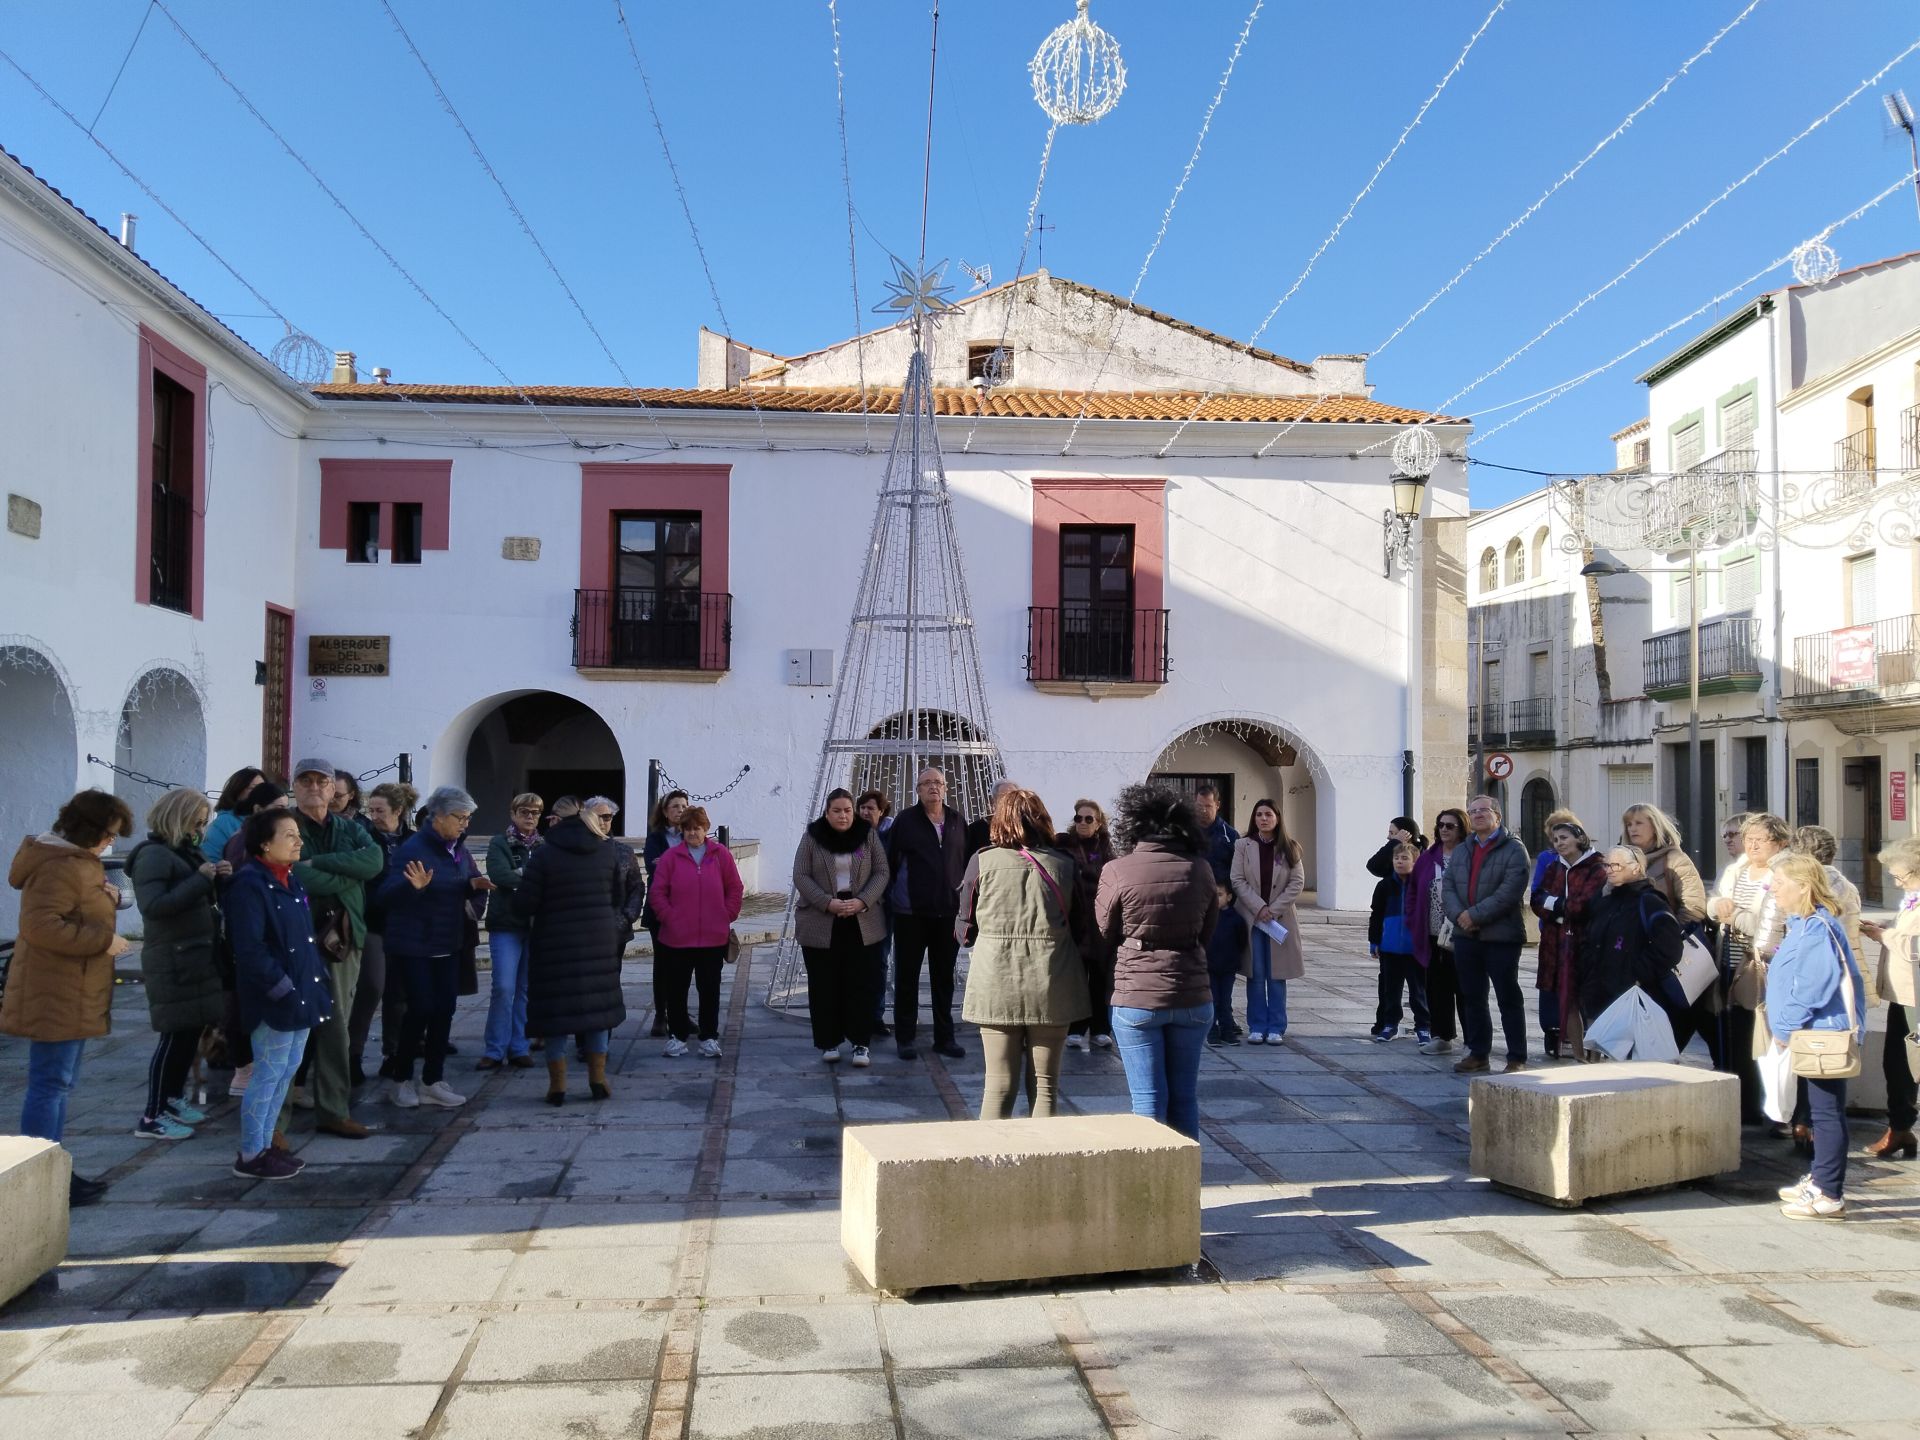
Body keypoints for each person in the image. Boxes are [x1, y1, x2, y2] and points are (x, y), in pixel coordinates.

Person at [3, 789, 135, 1205]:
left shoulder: (77, 863)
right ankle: (39, 1178)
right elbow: (41, 926)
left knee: (59, 1084)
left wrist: (106, 897)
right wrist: (103, 941)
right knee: (50, 1085)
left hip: (70, 990)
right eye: (109, 835)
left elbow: (77, 906)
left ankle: (55, 1169)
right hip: (54, 991)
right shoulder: (60, 866)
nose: (111, 843)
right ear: (88, 830)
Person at [955, 787, 1087, 1118]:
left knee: (998, 1085)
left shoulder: (982, 861)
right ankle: (1041, 1164)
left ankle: (990, 1165)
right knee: (1045, 1087)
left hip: (995, 980)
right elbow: (1083, 927)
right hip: (1052, 980)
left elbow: (965, 929)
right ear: (1043, 820)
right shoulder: (1065, 865)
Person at [1097, 784, 1220, 1140]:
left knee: (1148, 1103)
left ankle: (1152, 1191)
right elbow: (1207, 930)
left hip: (1137, 994)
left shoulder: (1117, 869)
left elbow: (1106, 928)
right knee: (1185, 1098)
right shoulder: (1200, 869)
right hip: (1193, 993)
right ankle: (1185, 1188)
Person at [225, 807, 334, 1181]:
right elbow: (251, 949)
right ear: (264, 843)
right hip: (275, 999)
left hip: (302, 993)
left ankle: (267, 1146)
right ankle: (251, 1153)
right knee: (267, 1075)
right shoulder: (249, 884)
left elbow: (304, 938)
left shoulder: (290, 879)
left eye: (297, 834)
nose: (298, 841)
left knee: (286, 1072)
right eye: (289, 835)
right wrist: (283, 988)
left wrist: (315, 979)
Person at [375, 786, 493, 1108]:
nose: (465, 824)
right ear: (438, 817)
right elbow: (384, 896)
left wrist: (470, 886)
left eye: (468, 818)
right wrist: (410, 887)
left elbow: (453, 883)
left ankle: (433, 1079)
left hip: (447, 940)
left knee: (445, 1009)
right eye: (460, 818)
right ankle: (401, 1080)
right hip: (413, 943)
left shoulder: (455, 848)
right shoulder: (414, 847)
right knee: (420, 1008)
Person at [284, 758, 383, 1139]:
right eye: (305, 780)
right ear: (295, 786)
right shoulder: (285, 827)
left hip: (343, 937)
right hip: (297, 937)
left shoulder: (350, 829)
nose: (313, 787)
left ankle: (334, 1109)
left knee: (336, 1027)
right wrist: (343, 875)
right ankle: (275, 1120)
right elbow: (294, 872)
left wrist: (319, 863)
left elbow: (373, 862)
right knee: (290, 1029)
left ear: (332, 787)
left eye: (321, 781)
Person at [1767, 854, 1866, 1220]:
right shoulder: (1805, 924)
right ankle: (1822, 1180)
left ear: (1803, 886)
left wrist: (1785, 1027)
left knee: (1825, 1113)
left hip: (1820, 1034)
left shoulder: (1816, 928)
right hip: (1813, 1032)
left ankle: (1829, 1193)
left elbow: (1812, 987)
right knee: (1824, 1111)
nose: (1772, 888)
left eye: (1779, 882)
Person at [127, 788, 228, 1140]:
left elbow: (196, 892)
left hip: (193, 954)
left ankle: (172, 1100)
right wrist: (201, 878)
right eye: (196, 822)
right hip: (173, 957)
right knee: (173, 1038)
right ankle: (152, 1115)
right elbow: (154, 906)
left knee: (188, 1036)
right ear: (177, 818)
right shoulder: (154, 855)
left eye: (203, 822)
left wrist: (216, 877)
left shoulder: (183, 851)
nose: (200, 829)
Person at [519, 800, 628, 1104]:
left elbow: (526, 902)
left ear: (556, 822)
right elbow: (617, 895)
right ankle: (598, 1078)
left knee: (556, 1016)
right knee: (595, 1012)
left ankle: (558, 1085)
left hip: (554, 943)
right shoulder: (605, 851)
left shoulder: (544, 855)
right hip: (599, 941)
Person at [792, 789, 890, 1067]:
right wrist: (826, 902)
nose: (843, 815)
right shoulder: (813, 836)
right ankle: (829, 1041)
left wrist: (862, 901)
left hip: (861, 917)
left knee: (861, 982)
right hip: (822, 918)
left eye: (848, 810)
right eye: (837, 810)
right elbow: (801, 874)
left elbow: (881, 871)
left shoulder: (867, 835)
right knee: (824, 983)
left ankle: (861, 1043)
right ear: (827, 812)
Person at [884, 767, 970, 1061]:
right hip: (911, 913)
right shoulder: (905, 821)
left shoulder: (958, 820)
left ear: (946, 788)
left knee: (944, 978)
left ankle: (944, 1038)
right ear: (917, 790)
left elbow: (966, 863)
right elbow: (891, 863)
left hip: (948, 913)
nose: (933, 787)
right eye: (927, 783)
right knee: (906, 977)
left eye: (938, 782)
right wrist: (897, 898)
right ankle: (905, 1037)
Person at [1442, 795, 1532, 1074]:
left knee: (1508, 997)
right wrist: (1460, 916)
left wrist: (1475, 915)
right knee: (1472, 996)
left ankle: (1516, 1056)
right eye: (1473, 811)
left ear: (1497, 816)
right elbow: (1448, 887)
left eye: (1483, 810)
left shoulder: (1514, 849)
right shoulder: (1463, 848)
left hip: (1501, 936)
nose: (1478, 815)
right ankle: (1478, 1053)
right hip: (1466, 936)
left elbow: (1510, 891)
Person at [1711, 813, 1791, 1125]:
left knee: (1766, 1037)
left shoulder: (1781, 874)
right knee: (1740, 1035)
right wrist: (1715, 908)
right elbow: (1715, 902)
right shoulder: (1737, 869)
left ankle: (1772, 1108)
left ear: (1780, 843)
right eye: (1749, 839)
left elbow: (1772, 926)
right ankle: (1745, 1105)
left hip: (1765, 966)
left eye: (1760, 839)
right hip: (1732, 961)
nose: (1752, 845)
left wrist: (1735, 917)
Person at [651, 805, 744, 1058]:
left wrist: (727, 914)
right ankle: (678, 1036)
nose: (693, 833)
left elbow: (734, 887)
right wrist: (670, 917)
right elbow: (658, 892)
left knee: (710, 989)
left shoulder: (720, 855)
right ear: (682, 830)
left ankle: (709, 1036)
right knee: (677, 990)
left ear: (706, 829)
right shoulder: (671, 857)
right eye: (688, 829)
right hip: (677, 939)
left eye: (698, 828)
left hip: (712, 938)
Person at [1578, 846, 1686, 1038]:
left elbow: (1670, 949)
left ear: (1636, 868)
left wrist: (1636, 975)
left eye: (1616, 865)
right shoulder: (1604, 901)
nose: (1609, 870)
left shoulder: (1651, 902)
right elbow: (1589, 939)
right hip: (1601, 995)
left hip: (1637, 996)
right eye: (1607, 865)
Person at [353, 780, 415, 1088]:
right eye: (371, 809)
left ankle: (393, 1054)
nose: (374, 815)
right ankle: (354, 1054)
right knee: (371, 989)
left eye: (380, 810)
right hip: (374, 922)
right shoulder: (364, 838)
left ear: (398, 811)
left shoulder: (413, 841)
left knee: (399, 994)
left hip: (405, 925)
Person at [1229, 798, 1306, 1045]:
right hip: (1252, 918)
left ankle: (1276, 1026)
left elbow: (1297, 882)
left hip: (1279, 920)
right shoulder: (1243, 845)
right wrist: (1259, 907)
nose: (1264, 819)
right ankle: (1257, 1025)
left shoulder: (1289, 847)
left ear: (1277, 818)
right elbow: (1237, 880)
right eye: (1259, 814)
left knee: (1276, 974)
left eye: (1269, 814)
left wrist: (1273, 909)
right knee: (1256, 972)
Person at [1862, 835, 1920, 1161]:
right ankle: (1901, 1129)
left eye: (1902, 876)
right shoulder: (1913, 898)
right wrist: (1886, 926)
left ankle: (1900, 1129)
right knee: (1896, 1062)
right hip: (1904, 992)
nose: (1897, 883)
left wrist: (1884, 935)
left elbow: (1915, 946)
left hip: (1915, 994)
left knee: (1906, 1064)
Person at [479, 792, 544, 1070]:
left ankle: (518, 1046)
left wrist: (520, 876)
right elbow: (499, 874)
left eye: (535, 813)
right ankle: (494, 1049)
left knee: (525, 988)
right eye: (524, 812)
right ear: (513, 814)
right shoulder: (499, 842)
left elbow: (549, 877)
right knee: (504, 987)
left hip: (535, 924)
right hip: (506, 922)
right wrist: (530, 879)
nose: (530, 817)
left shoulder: (543, 846)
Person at [1530, 821, 1605, 1059]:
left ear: (1579, 838)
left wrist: (1555, 905)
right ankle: (1578, 1054)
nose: (1559, 843)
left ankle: (1595, 1053)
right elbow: (1536, 900)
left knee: (1590, 1001)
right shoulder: (1555, 867)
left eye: (1564, 837)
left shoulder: (1597, 866)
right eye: (1555, 839)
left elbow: (1582, 905)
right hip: (1556, 942)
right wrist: (1559, 906)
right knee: (1566, 999)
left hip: (1586, 942)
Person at [1057, 797, 1117, 1052]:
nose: (1082, 823)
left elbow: (1111, 880)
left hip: (1101, 922)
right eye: (1078, 818)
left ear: (1099, 822)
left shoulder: (1106, 848)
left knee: (1101, 977)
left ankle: (1101, 1029)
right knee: (1077, 977)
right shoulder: (1065, 846)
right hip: (1076, 920)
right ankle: (1076, 1028)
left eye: (1088, 818)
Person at [1413, 808, 1469, 1055]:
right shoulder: (1428, 857)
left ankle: (1473, 1041)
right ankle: (1441, 1035)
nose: (1444, 830)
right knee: (1437, 986)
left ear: (1461, 829)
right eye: (1441, 825)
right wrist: (1411, 917)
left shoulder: (1469, 855)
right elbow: (1414, 888)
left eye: (1450, 826)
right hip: (1433, 931)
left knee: (1466, 987)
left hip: (1464, 931)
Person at [1369, 841, 1430, 1043]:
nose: (1399, 862)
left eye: (1405, 858)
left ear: (1415, 861)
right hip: (1390, 947)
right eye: (1397, 858)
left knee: (1418, 991)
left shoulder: (1423, 885)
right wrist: (1374, 941)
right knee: (1391, 989)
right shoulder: (1384, 886)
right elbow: (1376, 915)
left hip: (1415, 949)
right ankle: (1389, 1024)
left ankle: (1423, 1026)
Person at [641, 789, 688, 1037]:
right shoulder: (656, 838)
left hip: (687, 909)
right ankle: (661, 1014)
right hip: (660, 909)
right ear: (665, 811)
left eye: (683, 806)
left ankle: (680, 1013)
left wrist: (668, 862)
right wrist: (679, 862)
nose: (680, 810)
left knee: (684, 964)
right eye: (675, 807)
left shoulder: (692, 835)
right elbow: (653, 867)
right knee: (663, 963)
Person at [586, 797, 647, 963]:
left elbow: (636, 887)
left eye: (607, 817)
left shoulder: (624, 852)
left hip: (615, 928)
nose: (603, 821)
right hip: (584, 928)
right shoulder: (577, 850)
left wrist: (627, 916)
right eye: (597, 816)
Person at [855, 788, 895, 1037]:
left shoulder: (891, 834)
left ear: (882, 811)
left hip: (885, 907)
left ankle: (875, 1016)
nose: (865, 812)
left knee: (879, 962)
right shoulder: (852, 834)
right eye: (863, 807)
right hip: (858, 907)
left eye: (871, 808)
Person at [1205, 880, 1248, 1045]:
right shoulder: (1206, 917)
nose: (1215, 898)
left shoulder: (1235, 919)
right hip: (1210, 967)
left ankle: (1227, 1030)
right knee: (1213, 999)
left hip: (1228, 967)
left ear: (1229, 897)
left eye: (1220, 894)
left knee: (1225, 1000)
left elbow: (1241, 941)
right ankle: (1212, 1031)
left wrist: (1234, 959)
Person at [202, 767, 266, 863]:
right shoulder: (222, 823)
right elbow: (210, 860)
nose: (260, 793)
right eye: (253, 788)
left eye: (263, 788)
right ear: (237, 791)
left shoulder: (268, 821)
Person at [1193, 781, 1238, 886]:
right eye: (1199, 806)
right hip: (1192, 893)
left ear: (1217, 805)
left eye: (1208, 806)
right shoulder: (1186, 832)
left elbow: (1238, 873)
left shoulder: (1230, 836)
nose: (1203, 810)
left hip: (1219, 895)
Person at [965, 779, 1018, 858]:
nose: (1010, 801)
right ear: (994, 802)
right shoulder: (975, 830)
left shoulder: (1029, 827)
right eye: (1004, 796)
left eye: (1014, 796)